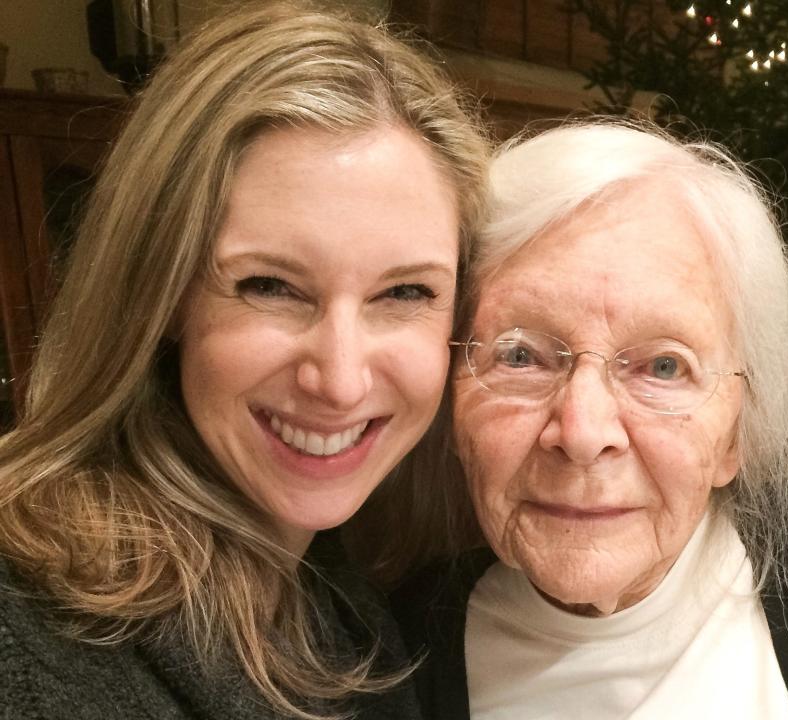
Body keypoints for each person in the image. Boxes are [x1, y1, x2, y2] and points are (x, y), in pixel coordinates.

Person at [0, 2, 487, 718]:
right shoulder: (29, 635)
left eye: (405, 291)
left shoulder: (340, 584)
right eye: (271, 286)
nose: (341, 379)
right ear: (161, 294)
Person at [392, 122, 788, 719]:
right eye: (520, 356)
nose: (584, 434)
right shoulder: (395, 661)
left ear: (737, 431)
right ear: (452, 404)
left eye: (664, 366)